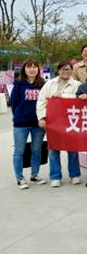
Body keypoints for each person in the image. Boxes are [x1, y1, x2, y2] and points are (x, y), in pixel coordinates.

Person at [37, 60, 82, 188]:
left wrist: (63, 96)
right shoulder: (49, 84)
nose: (65, 72)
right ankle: (55, 176)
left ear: (72, 71)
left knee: (73, 149)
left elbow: (80, 100)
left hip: (72, 121)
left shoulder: (77, 85)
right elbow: (41, 101)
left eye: (68, 69)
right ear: (58, 71)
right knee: (53, 149)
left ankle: (75, 175)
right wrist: (42, 117)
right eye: (63, 69)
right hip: (53, 122)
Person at [11, 59, 46, 189]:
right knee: (19, 151)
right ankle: (20, 178)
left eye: (34, 67)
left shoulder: (43, 84)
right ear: (24, 69)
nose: (32, 69)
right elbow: (14, 103)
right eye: (29, 67)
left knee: (36, 150)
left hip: (38, 123)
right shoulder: (19, 84)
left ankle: (35, 175)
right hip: (21, 124)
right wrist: (18, 116)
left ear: (38, 69)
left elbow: (46, 102)